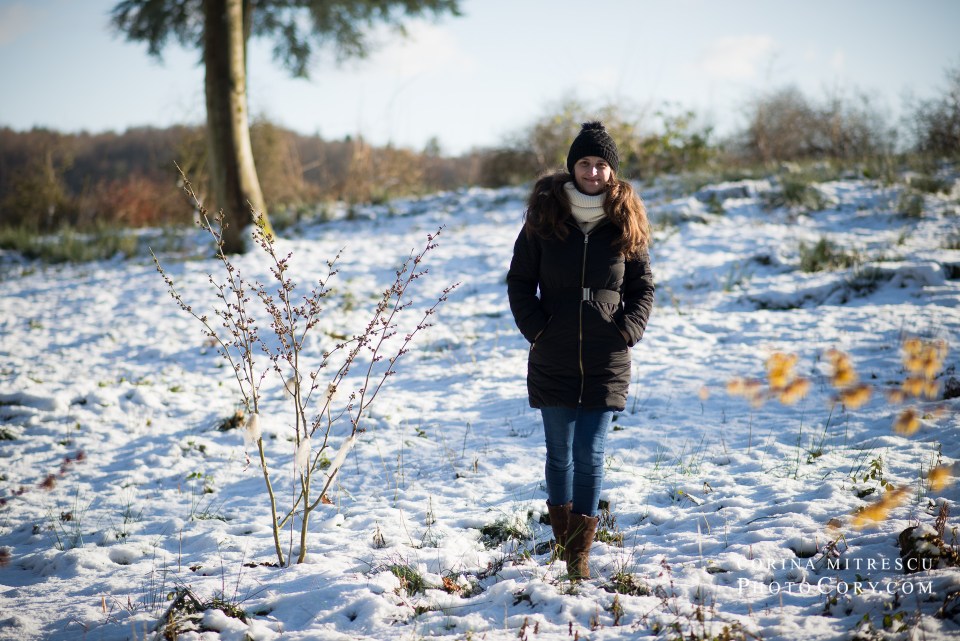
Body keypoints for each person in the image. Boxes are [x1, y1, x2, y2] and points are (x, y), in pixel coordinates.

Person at [506, 121, 655, 579]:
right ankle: (563, 542)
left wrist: (626, 330)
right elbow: (519, 282)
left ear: (612, 172)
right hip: (554, 356)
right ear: (573, 167)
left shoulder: (625, 219)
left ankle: (579, 557)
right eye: (585, 163)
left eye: (601, 165)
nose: (593, 172)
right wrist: (538, 330)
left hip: (606, 357)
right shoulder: (544, 217)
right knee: (559, 454)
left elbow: (643, 287)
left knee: (591, 453)